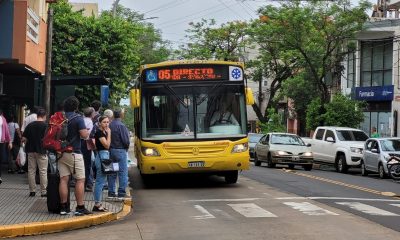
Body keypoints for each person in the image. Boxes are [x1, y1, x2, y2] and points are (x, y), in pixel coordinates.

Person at [58, 96, 91, 216]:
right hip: (74, 152)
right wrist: (86, 132)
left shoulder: (59, 117)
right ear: (76, 107)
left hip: (60, 153)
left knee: (63, 179)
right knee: (80, 180)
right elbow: (83, 135)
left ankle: (63, 208)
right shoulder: (78, 118)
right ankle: (80, 207)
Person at [22, 108, 48, 197]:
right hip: (41, 150)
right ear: (44, 116)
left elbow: (24, 138)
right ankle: (43, 191)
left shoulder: (30, 125)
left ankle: (32, 191)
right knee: (43, 171)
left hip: (30, 150)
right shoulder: (45, 126)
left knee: (31, 171)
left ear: (37, 115)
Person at [108, 108, 130, 198]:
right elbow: (126, 140)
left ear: (113, 115)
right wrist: (126, 148)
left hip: (110, 151)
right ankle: (121, 192)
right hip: (120, 150)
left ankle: (111, 192)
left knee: (112, 172)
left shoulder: (109, 125)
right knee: (122, 172)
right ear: (121, 115)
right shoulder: (121, 126)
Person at [93, 115, 111, 211]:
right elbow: (107, 145)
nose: (106, 124)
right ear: (99, 123)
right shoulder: (99, 133)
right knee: (100, 182)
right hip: (102, 156)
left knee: (102, 181)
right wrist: (109, 133)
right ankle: (97, 204)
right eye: (104, 122)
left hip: (104, 155)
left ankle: (98, 203)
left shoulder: (103, 132)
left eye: (108, 122)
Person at [81, 107, 95, 192]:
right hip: (86, 143)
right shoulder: (89, 122)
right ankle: (87, 183)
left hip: (80, 143)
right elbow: (87, 135)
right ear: (91, 114)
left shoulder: (82, 120)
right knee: (87, 164)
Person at [0, 109, 12, 185]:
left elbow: (7, 130)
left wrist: (10, 141)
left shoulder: (2, 119)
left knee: (0, 158)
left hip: (1, 142)